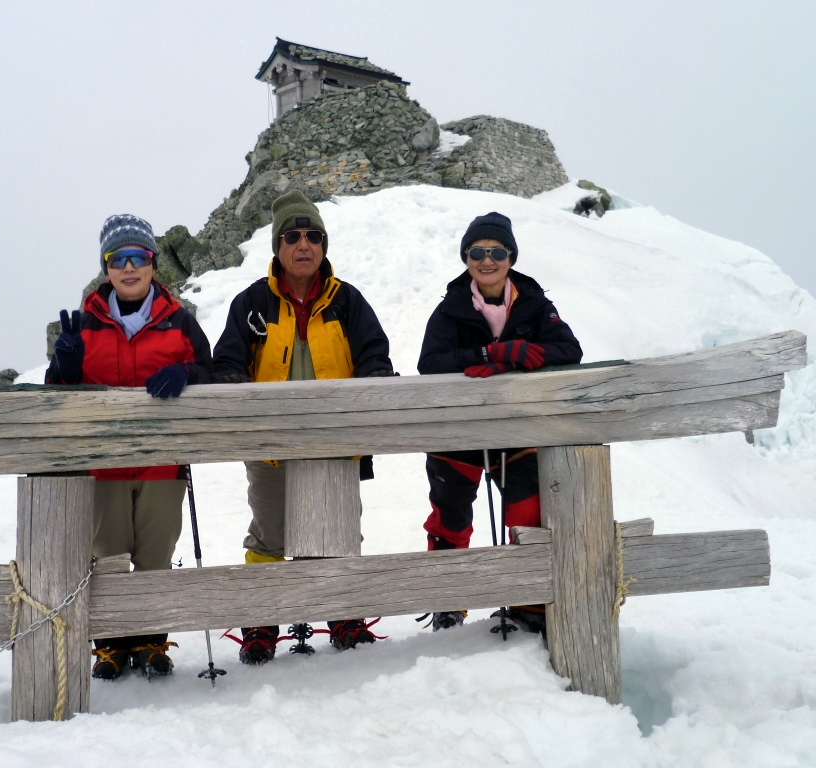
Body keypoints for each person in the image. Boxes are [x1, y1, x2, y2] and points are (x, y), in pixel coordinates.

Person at [212, 190, 395, 664]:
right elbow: (228, 357)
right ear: (277, 246)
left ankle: (342, 611)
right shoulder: (252, 302)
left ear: (324, 245)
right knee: (270, 533)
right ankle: (261, 618)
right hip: (270, 444)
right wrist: (233, 381)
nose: (303, 244)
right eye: (292, 236)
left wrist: (375, 377)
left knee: (335, 530)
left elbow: (374, 351)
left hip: (335, 442)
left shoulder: (346, 300)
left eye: (313, 236)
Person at [47, 214, 213, 680]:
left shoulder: (179, 321)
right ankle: (112, 645)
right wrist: (65, 366)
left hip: (162, 464)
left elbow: (215, 374)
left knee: (156, 555)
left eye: (137, 257)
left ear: (153, 264)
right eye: (117, 259)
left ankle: (152, 641)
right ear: (106, 269)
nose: (128, 267)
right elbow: (58, 394)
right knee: (110, 555)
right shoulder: (84, 324)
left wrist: (188, 373)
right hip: (105, 466)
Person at [416, 211, 582, 633]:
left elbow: (569, 350)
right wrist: (492, 355)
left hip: (517, 431)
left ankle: (529, 600)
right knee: (450, 516)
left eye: (496, 252)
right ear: (466, 257)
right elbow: (429, 364)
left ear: (510, 256)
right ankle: (448, 600)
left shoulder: (536, 305)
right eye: (477, 252)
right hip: (456, 435)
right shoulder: (450, 309)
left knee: (526, 512)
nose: (486, 260)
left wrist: (520, 351)